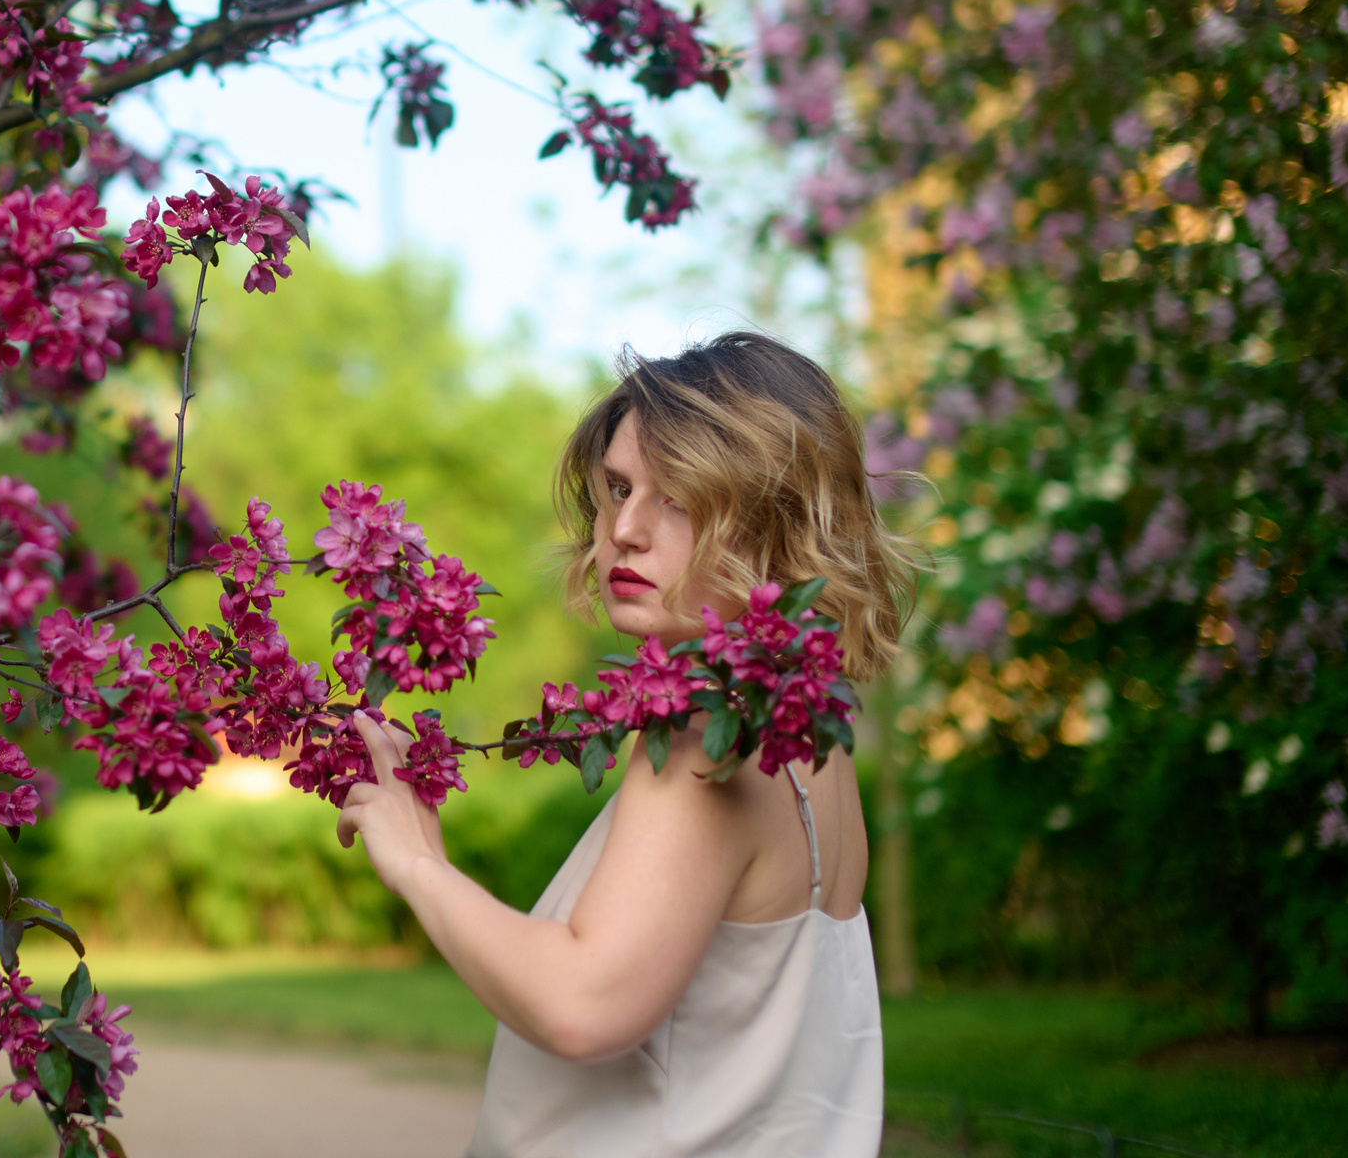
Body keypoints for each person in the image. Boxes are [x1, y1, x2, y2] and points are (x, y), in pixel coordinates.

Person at [333, 333, 918, 1158]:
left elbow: (584, 1004)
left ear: (775, 520)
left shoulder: (705, 743)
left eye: (677, 497)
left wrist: (415, 864)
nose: (625, 531)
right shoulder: (809, 747)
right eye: (617, 487)